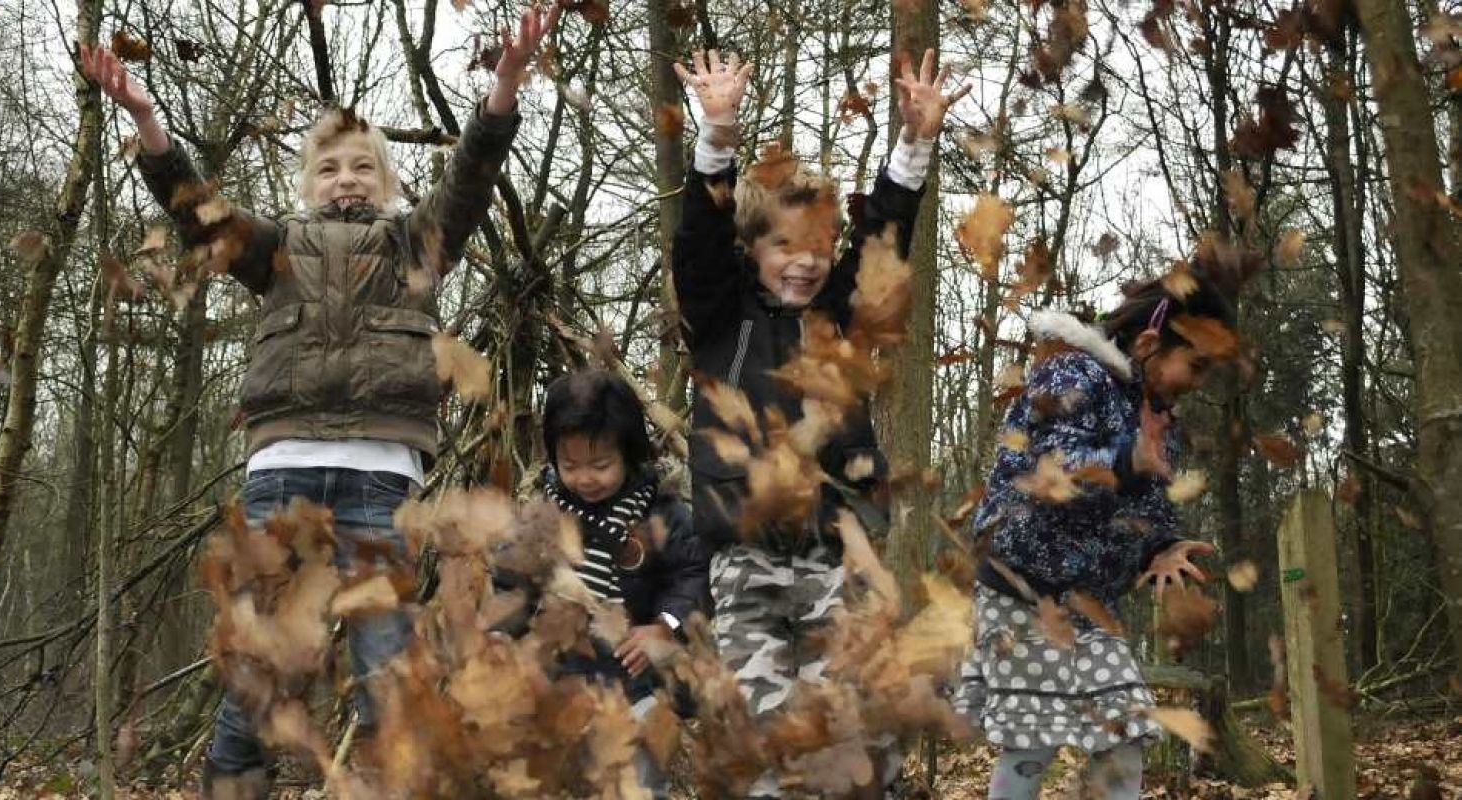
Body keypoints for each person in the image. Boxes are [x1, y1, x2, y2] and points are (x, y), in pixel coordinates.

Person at [79, 6, 559, 796]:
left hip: (380, 478)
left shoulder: (413, 246)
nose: (347, 180)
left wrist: (502, 87)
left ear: (387, 181)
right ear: (306, 184)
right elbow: (194, 209)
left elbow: (469, 180)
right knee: (261, 670)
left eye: (363, 168)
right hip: (283, 472)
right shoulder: (274, 251)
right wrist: (144, 118)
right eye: (330, 168)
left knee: (386, 675)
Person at [671, 47, 968, 798]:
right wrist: (719, 130)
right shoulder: (718, 311)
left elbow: (884, 235)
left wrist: (915, 143)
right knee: (770, 736)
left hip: (835, 553)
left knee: (862, 733)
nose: (803, 265)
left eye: (817, 250)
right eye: (783, 248)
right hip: (745, 561)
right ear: (751, 250)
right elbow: (698, 242)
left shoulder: (834, 318)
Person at [959, 274, 1237, 799]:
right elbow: (1049, 472)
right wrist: (1124, 462)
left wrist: (1159, 546)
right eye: (1196, 365)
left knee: (1124, 732)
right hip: (1021, 592)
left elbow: (1146, 507)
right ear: (1151, 344)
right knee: (1030, 741)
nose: (1198, 381)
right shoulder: (1074, 373)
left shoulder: (1157, 418)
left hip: (1090, 608)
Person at [495, 368, 709, 798]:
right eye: (570, 465)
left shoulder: (661, 514)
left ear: (629, 455)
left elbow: (692, 575)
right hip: (562, 676)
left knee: (638, 780)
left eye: (601, 464)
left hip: (636, 677)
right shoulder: (542, 517)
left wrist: (665, 624)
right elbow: (511, 584)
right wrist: (503, 638)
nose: (585, 478)